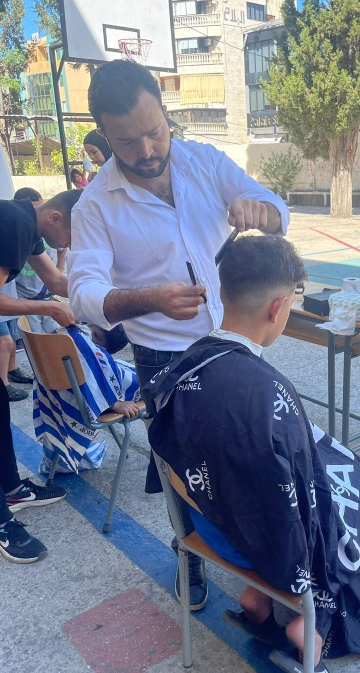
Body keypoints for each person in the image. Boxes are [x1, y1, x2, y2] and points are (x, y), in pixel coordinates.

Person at [67, 59, 290, 612]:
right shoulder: (96, 204)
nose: (147, 151)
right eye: (128, 142)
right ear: (104, 136)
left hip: (232, 341)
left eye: (155, 131)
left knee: (247, 451)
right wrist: (149, 298)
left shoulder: (203, 161)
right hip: (162, 354)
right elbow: (83, 294)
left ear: (165, 113)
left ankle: (254, 550)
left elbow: (277, 209)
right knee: (181, 469)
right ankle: (189, 553)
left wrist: (261, 210)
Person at [148, 236, 360, 673]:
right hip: (259, 549)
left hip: (206, 528)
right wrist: (299, 585)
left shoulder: (179, 369)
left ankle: (257, 599)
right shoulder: (271, 392)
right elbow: (302, 518)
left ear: (222, 290)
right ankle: (307, 626)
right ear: (278, 307)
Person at [0, 189, 82, 563]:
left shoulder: (29, 224)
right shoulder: (15, 222)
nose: (69, 245)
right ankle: (3, 524)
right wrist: (47, 307)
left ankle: (12, 490)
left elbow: (58, 282)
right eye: (71, 236)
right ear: (55, 218)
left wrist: (107, 299)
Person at [33, 323, 142, 475]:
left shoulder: (64, 336)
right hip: (87, 400)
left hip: (56, 396)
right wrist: (114, 403)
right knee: (151, 390)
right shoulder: (84, 349)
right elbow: (99, 386)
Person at [14, 187, 64, 336]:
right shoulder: (18, 233)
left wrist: (60, 269)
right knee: (34, 335)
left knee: (55, 332)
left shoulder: (40, 235)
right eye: (34, 211)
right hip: (24, 295)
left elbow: (57, 280)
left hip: (45, 292)